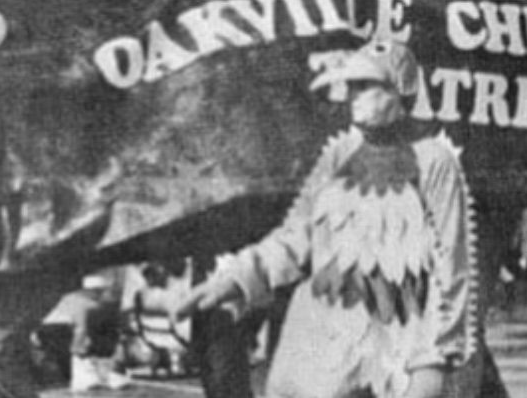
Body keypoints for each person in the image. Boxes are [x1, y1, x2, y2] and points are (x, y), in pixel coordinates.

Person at [173, 39, 480, 398]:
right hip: (321, 335)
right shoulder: (338, 156)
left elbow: (452, 267)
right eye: (352, 87)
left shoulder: (434, 161)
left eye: (367, 86)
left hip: (395, 332)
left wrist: (434, 358)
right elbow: (296, 236)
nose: (354, 96)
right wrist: (239, 276)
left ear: (401, 90)